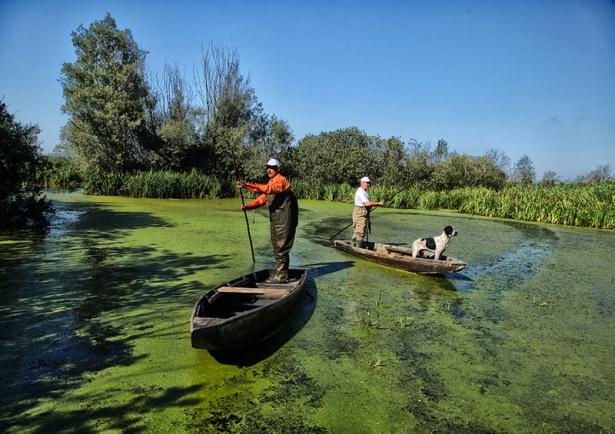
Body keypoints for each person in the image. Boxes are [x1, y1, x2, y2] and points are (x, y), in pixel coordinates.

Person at [236, 158, 299, 283]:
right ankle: (281, 272)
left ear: (278, 169)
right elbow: (262, 199)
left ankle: (281, 277)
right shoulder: (271, 182)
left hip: (285, 219)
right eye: (268, 167)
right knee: (276, 245)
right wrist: (247, 206)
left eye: (272, 167)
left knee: (282, 247)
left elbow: (268, 190)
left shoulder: (281, 180)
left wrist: (247, 185)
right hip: (276, 220)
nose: (269, 170)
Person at [352, 176, 384, 247]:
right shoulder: (360, 192)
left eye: (369, 183)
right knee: (360, 231)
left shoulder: (364, 192)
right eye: (367, 183)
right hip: (360, 213)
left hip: (362, 212)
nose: (368, 184)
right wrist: (378, 203)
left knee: (358, 230)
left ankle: (354, 245)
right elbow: (366, 203)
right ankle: (357, 248)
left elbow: (367, 204)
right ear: (362, 183)